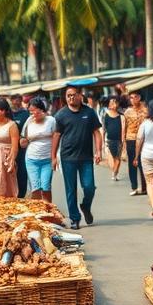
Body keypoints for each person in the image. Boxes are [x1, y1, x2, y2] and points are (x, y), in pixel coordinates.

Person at [52, 85, 102, 229]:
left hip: (86, 158)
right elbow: (56, 135)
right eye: (68, 96)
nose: (71, 98)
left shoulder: (89, 112)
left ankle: (85, 206)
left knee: (89, 187)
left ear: (80, 95)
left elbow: (96, 132)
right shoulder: (61, 115)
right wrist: (53, 157)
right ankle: (75, 218)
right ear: (66, 98)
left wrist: (98, 151)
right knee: (70, 189)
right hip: (68, 158)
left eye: (74, 95)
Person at [21, 97, 56, 202]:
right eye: (30, 112)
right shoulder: (29, 121)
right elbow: (23, 139)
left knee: (45, 187)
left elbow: (56, 138)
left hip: (47, 160)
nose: (32, 114)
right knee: (35, 189)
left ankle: (49, 211)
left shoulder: (51, 120)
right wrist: (23, 141)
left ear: (41, 109)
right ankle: (37, 214)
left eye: (34, 111)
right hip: (32, 159)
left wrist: (55, 157)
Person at [123, 92, 147, 196]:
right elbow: (124, 127)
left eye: (135, 97)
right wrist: (123, 142)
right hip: (131, 139)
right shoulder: (127, 112)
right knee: (132, 163)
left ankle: (145, 187)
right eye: (131, 98)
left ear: (139, 97)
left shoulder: (146, 110)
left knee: (143, 164)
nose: (133, 100)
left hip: (143, 139)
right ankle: (134, 186)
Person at [10, 94, 31, 197]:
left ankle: (21, 196)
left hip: (22, 150)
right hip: (9, 148)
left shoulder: (26, 114)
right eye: (14, 100)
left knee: (22, 173)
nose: (16, 102)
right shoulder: (8, 114)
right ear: (11, 101)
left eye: (18, 100)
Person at [101, 96, 126, 181]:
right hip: (109, 141)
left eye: (115, 102)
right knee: (111, 161)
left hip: (119, 141)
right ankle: (114, 172)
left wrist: (123, 142)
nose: (113, 104)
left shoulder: (121, 116)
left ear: (118, 104)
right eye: (111, 102)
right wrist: (103, 143)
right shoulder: (105, 115)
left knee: (118, 159)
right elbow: (103, 130)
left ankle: (115, 174)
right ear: (108, 104)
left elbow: (123, 130)